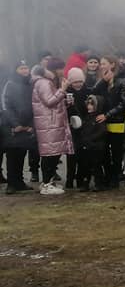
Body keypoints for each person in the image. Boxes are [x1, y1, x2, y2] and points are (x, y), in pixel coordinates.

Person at [31, 58, 74, 195]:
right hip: (48, 124)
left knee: (54, 154)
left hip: (53, 123)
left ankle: (49, 182)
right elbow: (49, 102)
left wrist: (66, 100)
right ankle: (46, 184)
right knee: (49, 155)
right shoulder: (43, 83)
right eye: (61, 68)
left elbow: (55, 102)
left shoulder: (50, 82)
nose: (63, 71)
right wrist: (62, 90)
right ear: (55, 69)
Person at [92, 56, 125, 189]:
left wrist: (107, 115)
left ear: (112, 65)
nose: (101, 66)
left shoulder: (122, 82)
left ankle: (115, 178)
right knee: (104, 152)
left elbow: (124, 103)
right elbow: (93, 93)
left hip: (116, 121)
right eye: (101, 64)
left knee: (116, 152)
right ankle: (107, 177)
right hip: (103, 122)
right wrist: (103, 81)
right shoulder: (102, 81)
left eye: (104, 64)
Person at [1, 60, 37, 194]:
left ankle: (19, 182)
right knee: (12, 155)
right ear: (16, 70)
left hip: (27, 126)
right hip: (12, 127)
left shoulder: (30, 84)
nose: (24, 71)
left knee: (22, 153)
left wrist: (30, 125)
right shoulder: (10, 84)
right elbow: (6, 106)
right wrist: (16, 124)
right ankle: (11, 183)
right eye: (21, 68)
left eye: (26, 68)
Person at [76, 95, 108, 191]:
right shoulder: (87, 117)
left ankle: (99, 183)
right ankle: (86, 183)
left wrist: (90, 139)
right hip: (88, 146)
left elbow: (102, 131)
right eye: (88, 104)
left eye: (92, 104)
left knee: (96, 166)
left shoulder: (99, 118)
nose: (89, 106)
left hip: (96, 147)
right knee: (86, 166)